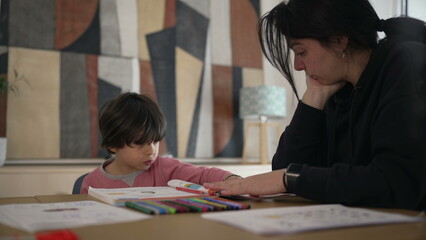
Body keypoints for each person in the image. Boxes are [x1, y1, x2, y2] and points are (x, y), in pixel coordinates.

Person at [205, 0, 426, 210]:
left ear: (340, 40)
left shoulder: (405, 62)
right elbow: (284, 168)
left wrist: (289, 178)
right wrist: (313, 100)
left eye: (301, 52)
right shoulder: (337, 88)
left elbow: (397, 184)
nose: (297, 65)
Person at [80, 92, 241, 194]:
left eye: (155, 141)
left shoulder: (165, 168)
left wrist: (232, 179)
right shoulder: (91, 184)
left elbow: (204, 174)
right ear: (113, 145)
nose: (151, 151)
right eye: (140, 143)